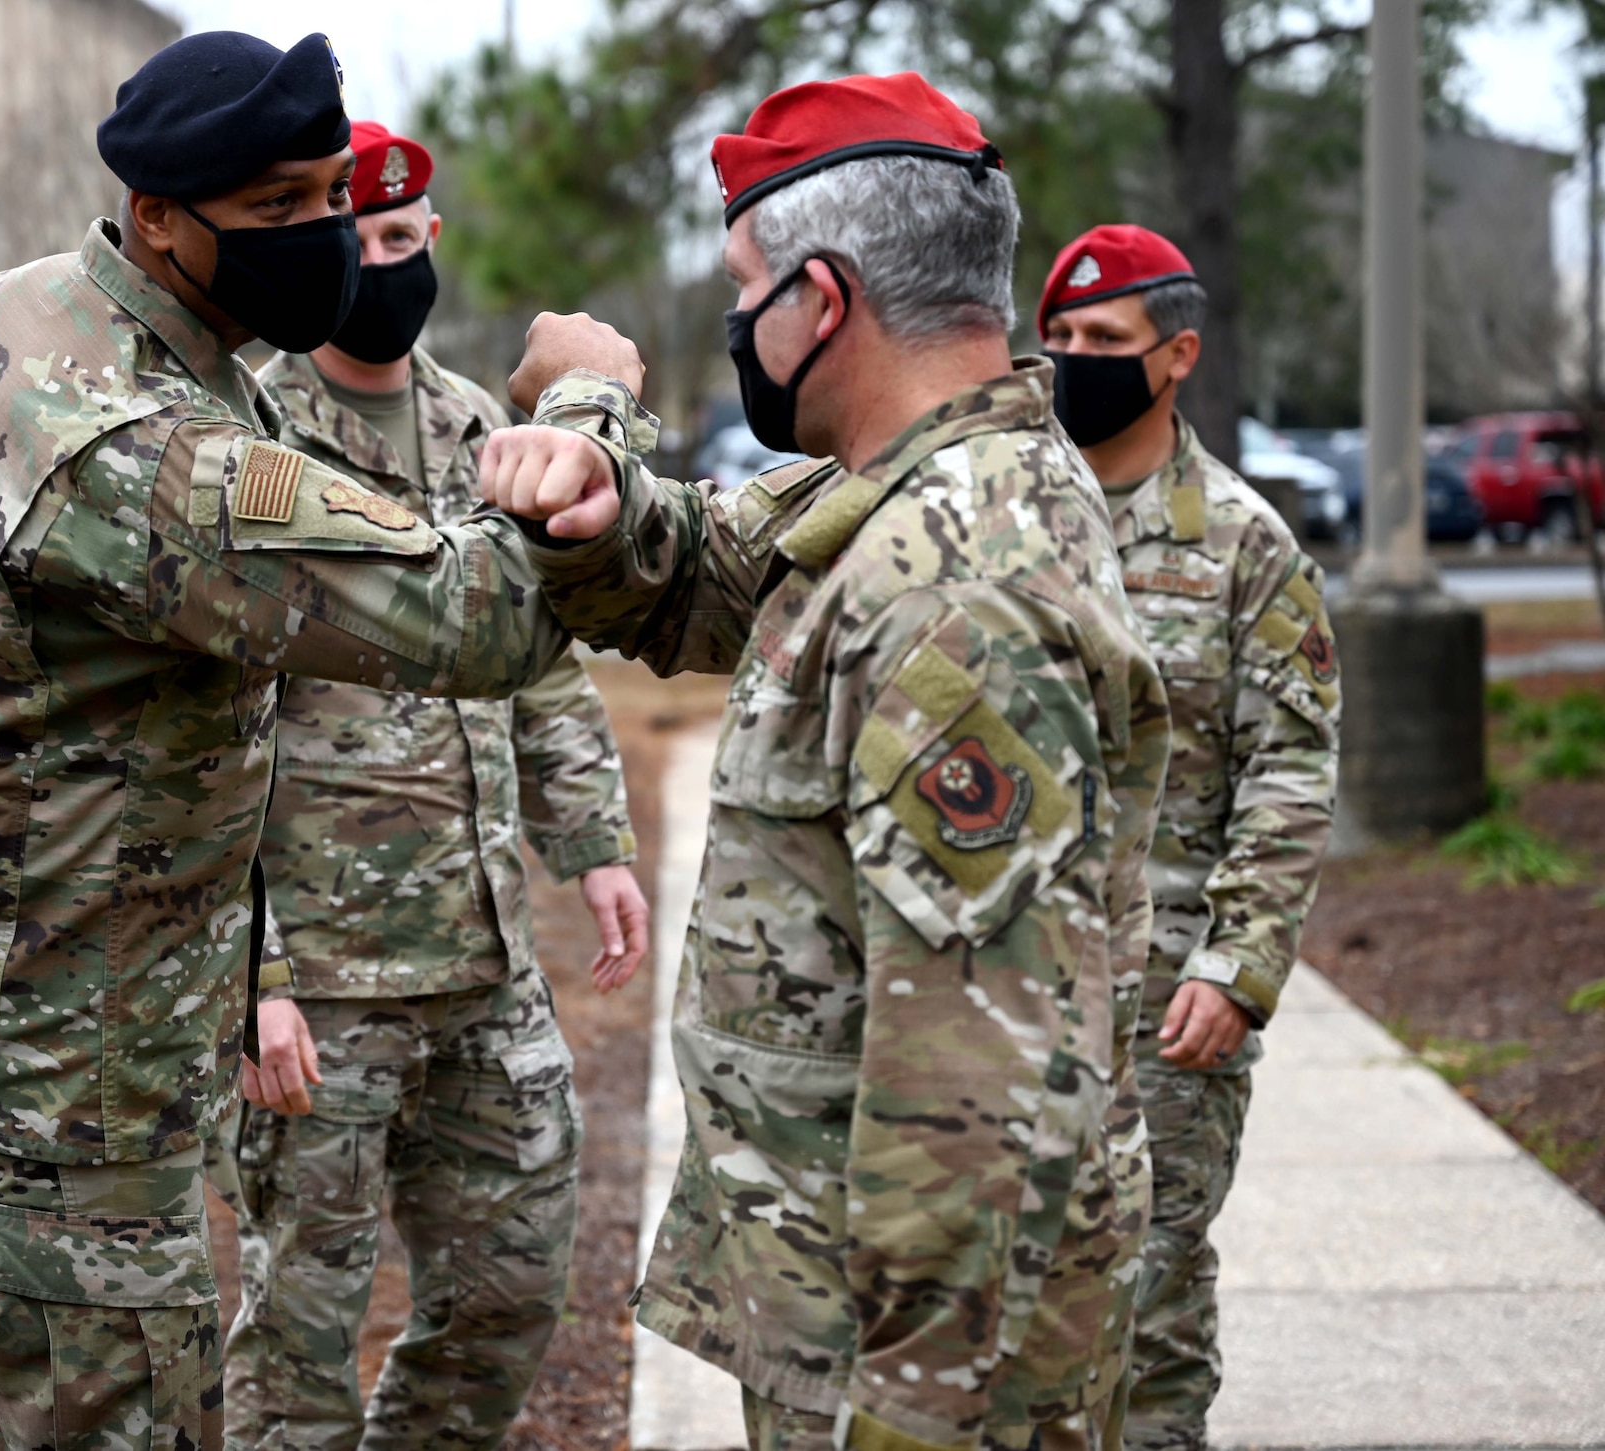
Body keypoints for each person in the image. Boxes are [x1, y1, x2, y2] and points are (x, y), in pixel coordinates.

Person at [0, 33, 578, 1451]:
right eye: (281, 211)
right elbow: (478, 620)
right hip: (59, 1053)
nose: (326, 238)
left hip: (18, 992)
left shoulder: (12, 316)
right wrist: (583, 411)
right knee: (115, 1375)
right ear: (161, 220)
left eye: (333, 196)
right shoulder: (140, 447)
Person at [480, 74, 1172, 1451]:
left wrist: (915, 1416)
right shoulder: (898, 486)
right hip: (834, 1299)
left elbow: (972, 1105)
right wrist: (590, 469)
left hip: (909, 1357)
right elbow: (697, 572)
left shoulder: (961, 587)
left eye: (744, 291)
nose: (735, 323)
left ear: (825, 298)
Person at [210, 121, 649, 1451]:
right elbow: (204, 727)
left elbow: (541, 662)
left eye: (401, 238)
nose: (380, 261)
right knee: (299, 1336)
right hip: (323, 983)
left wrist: (596, 842)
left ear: (432, 242)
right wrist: (256, 974)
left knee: (512, 1286)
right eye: (354, 238)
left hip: (482, 960)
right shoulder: (256, 438)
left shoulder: (486, 433)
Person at [1037, 225, 1341, 1451]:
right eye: (1055, 338)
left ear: (1176, 357)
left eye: (1101, 341)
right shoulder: (998, 516)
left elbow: (1292, 765)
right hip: (1003, 974)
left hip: (1166, 992)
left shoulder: (1244, 545)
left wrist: (1239, 967)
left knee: (1146, 1287)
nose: (1069, 361)